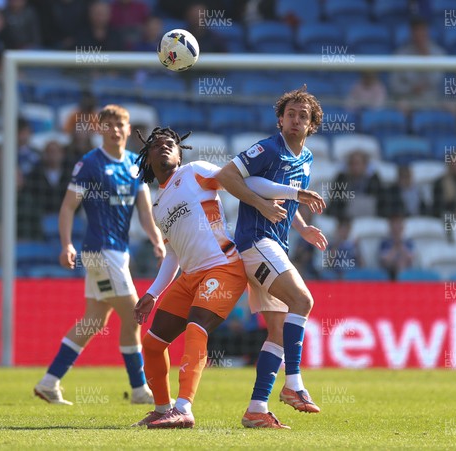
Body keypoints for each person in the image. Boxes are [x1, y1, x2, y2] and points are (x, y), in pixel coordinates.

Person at [130, 126, 323, 428]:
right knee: (152, 344)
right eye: (156, 145)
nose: (164, 147)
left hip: (224, 266)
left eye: (170, 144)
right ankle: (162, 408)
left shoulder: (196, 171)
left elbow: (245, 180)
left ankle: (184, 408)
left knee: (197, 327)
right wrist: (153, 293)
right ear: (147, 156)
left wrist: (292, 204)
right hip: (189, 275)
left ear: (180, 154)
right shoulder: (157, 205)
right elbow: (172, 255)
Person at [34, 105, 165, 405]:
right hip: (99, 250)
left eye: (120, 124)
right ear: (99, 129)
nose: (115, 130)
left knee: (93, 320)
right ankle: (139, 390)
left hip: (119, 253)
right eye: (108, 125)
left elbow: (145, 212)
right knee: (134, 315)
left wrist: (157, 240)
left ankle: (49, 381)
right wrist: (66, 244)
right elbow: (68, 207)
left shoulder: (135, 164)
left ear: (129, 129)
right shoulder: (90, 164)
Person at [216, 86, 328, 428]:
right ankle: (293, 384)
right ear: (280, 119)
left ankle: (256, 409)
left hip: (277, 243)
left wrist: (303, 227)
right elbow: (226, 176)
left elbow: (285, 201)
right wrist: (260, 204)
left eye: (303, 117)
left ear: (311, 126)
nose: (295, 121)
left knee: (278, 332)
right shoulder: (267, 148)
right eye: (290, 115)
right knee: (303, 299)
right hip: (255, 242)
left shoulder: (305, 160)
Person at [389, 17, 445, 105]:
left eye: (422, 30)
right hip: (410, 99)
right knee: (402, 105)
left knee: (452, 106)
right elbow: (394, 84)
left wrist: (426, 57)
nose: (419, 34)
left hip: (434, 100)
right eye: (416, 30)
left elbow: (440, 81)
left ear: (427, 31)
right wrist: (410, 89)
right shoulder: (401, 54)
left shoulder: (438, 53)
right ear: (411, 33)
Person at [378, 213, 415, 280]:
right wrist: (395, 247)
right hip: (389, 272)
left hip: (405, 270)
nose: (396, 227)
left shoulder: (408, 242)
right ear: (390, 226)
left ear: (402, 226)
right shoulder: (385, 242)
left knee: (402, 264)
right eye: (394, 224)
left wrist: (401, 246)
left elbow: (410, 260)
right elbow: (385, 262)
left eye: (398, 224)